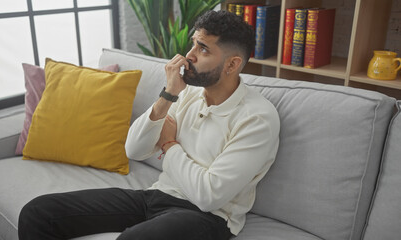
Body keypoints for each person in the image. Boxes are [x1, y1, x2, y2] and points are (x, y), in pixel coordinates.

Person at [18, 10, 280, 240]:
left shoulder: (257, 118)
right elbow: (134, 150)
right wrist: (167, 96)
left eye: (203, 49)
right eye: (193, 45)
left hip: (209, 217)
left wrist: (169, 144)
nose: (188, 56)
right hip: (156, 196)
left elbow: (208, 195)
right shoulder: (187, 93)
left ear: (232, 64)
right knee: (38, 213)